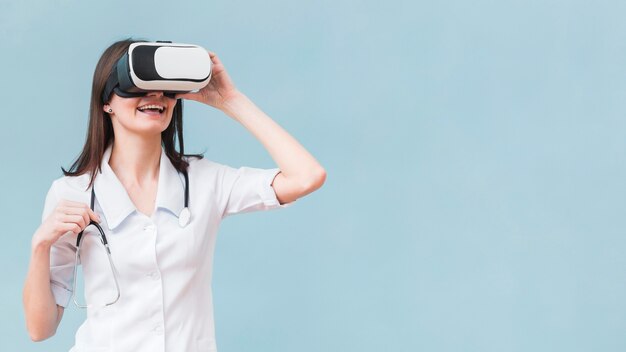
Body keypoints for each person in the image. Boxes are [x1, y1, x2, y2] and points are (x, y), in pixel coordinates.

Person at [22, 39, 326, 351]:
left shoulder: (204, 180)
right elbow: (39, 329)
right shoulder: (72, 192)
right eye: (138, 86)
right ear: (106, 101)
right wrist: (40, 245)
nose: (155, 96)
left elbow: (307, 176)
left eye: (165, 89)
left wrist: (231, 100)